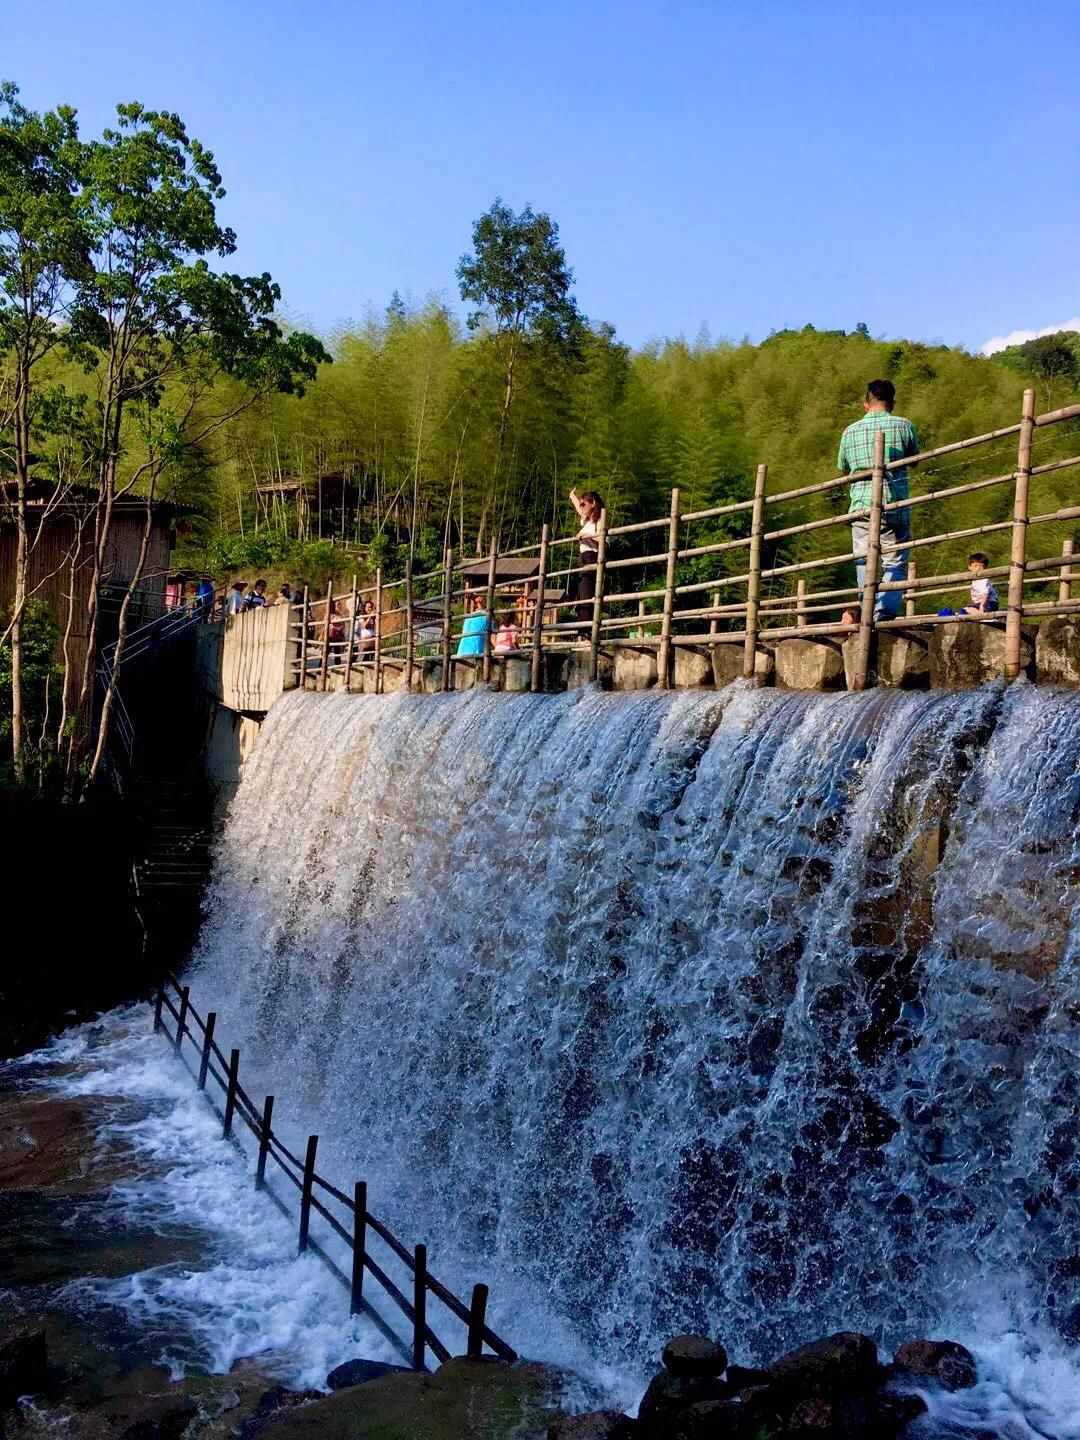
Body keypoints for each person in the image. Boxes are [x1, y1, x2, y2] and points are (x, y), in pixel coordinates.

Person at [837, 381, 919, 624]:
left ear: (866, 403)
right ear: (892, 403)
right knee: (894, 560)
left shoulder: (849, 431)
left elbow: (843, 467)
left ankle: (867, 608)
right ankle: (883, 611)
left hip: (860, 505)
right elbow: (914, 460)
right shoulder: (904, 425)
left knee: (863, 560)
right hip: (893, 503)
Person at [569, 488, 604, 625]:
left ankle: (586, 632)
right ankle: (583, 631)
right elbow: (579, 508)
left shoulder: (599, 520)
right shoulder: (587, 520)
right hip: (583, 557)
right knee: (581, 594)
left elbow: (604, 541)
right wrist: (572, 496)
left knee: (587, 593)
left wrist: (587, 537)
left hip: (592, 557)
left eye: (585, 504)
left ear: (593, 503)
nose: (581, 507)